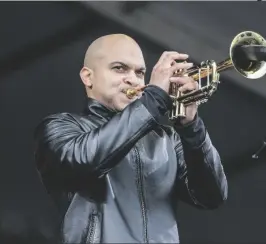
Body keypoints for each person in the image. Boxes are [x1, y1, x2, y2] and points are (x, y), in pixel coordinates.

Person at [33, 34, 228, 244]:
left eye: (140, 72)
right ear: (88, 77)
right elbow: (83, 160)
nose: (132, 79)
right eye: (119, 68)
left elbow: (211, 196)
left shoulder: (168, 140)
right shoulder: (60, 127)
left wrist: (191, 128)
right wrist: (153, 99)